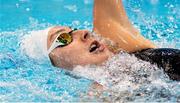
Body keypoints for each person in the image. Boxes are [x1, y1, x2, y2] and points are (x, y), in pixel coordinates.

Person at [22, 0, 180, 81]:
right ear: (54, 65)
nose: (84, 32)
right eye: (63, 37)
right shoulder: (99, 96)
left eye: (74, 30)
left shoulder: (118, 44)